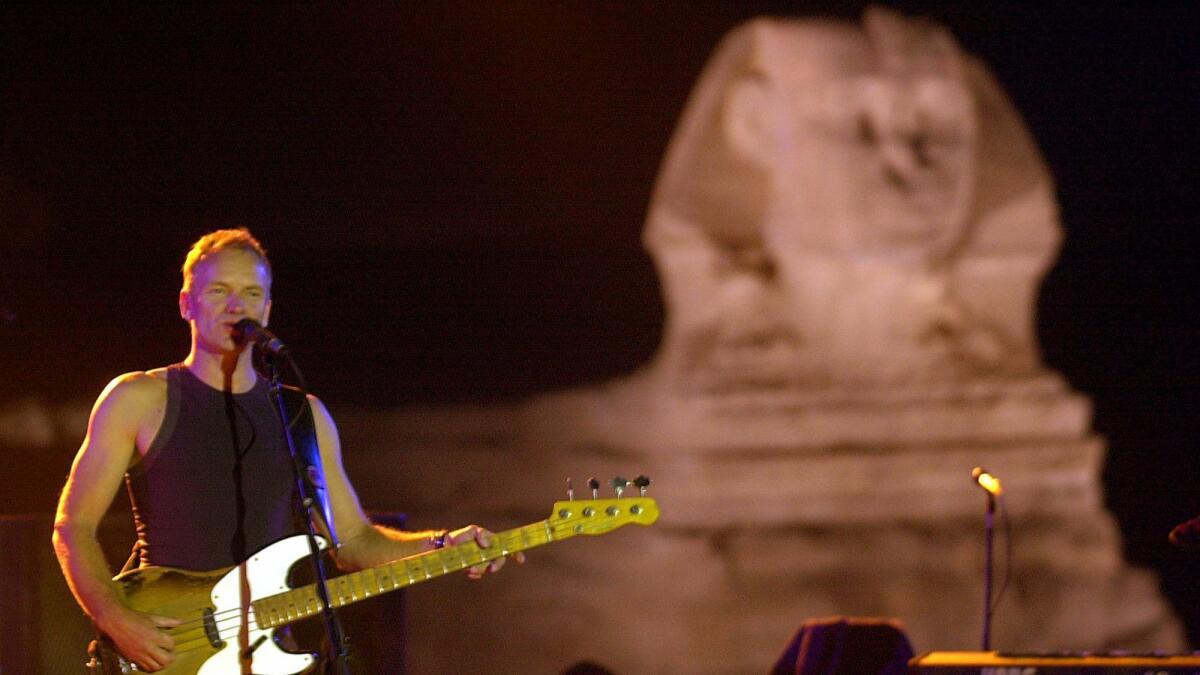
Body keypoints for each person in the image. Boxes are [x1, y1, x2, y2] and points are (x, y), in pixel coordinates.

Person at [52, 228, 523, 672]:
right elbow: (72, 526)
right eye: (219, 291)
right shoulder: (138, 397)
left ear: (268, 308)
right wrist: (116, 618)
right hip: (172, 651)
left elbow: (354, 541)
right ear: (186, 304)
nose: (237, 305)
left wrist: (443, 545)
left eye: (251, 294)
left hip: (272, 656)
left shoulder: (304, 415)